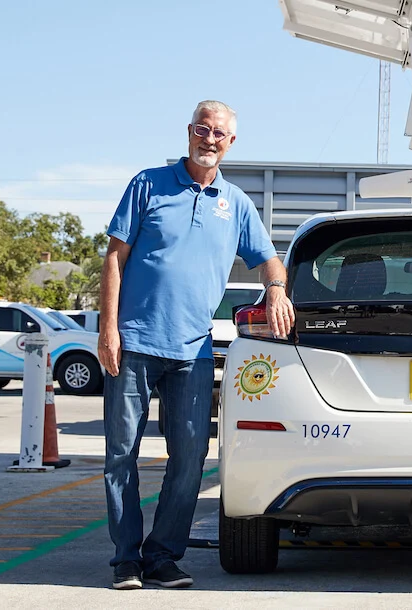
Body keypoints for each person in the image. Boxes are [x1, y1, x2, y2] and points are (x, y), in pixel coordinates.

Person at [98, 100, 293, 590]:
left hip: (193, 350)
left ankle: (163, 556)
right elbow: (114, 259)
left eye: (220, 133)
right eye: (202, 129)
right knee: (122, 454)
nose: (210, 139)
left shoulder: (237, 204)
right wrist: (107, 328)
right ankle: (126, 559)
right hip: (134, 342)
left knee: (190, 459)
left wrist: (276, 290)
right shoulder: (148, 184)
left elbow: (270, 260)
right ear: (189, 133)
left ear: (231, 143)